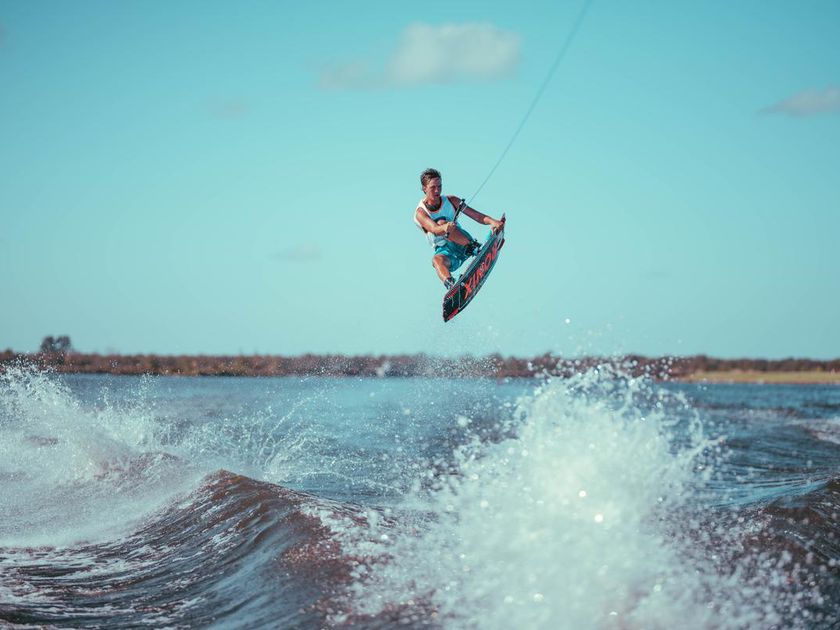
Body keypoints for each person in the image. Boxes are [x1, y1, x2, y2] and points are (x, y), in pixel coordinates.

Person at [413, 168, 505, 289]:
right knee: (436, 260)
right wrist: (445, 227)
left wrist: (493, 222)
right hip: (447, 253)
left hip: (463, 243)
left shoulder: (452, 201)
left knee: (443, 223)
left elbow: (477, 216)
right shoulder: (420, 213)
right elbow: (434, 229)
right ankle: (452, 285)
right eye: (433, 187)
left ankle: (475, 249)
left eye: (439, 186)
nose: (437, 190)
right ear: (424, 188)